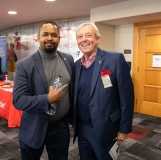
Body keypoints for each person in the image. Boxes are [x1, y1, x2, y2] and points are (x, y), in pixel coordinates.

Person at [13, 21, 74, 160]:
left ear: (59, 38)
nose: (50, 38)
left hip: (61, 128)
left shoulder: (68, 59)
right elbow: (18, 101)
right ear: (38, 37)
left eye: (54, 35)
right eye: (45, 34)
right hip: (34, 127)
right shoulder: (24, 65)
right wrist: (47, 99)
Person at [72, 22, 134, 160]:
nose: (84, 39)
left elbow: (127, 97)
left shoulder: (115, 59)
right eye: (80, 37)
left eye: (88, 35)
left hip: (106, 128)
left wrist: (124, 128)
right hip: (82, 127)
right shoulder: (76, 66)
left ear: (98, 38)